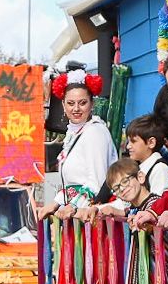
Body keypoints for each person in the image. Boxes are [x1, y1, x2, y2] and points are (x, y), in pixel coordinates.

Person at [36, 69, 115, 220]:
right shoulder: (75, 132)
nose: (76, 109)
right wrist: (54, 203)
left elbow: (97, 184)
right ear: (63, 106)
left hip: (91, 218)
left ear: (92, 103)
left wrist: (72, 206)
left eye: (82, 103)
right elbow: (72, 186)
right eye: (71, 103)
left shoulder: (94, 132)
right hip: (76, 215)